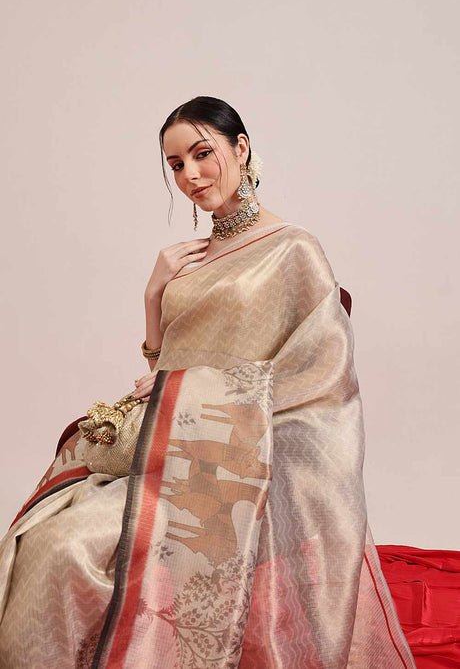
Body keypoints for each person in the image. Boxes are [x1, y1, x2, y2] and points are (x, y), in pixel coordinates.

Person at [0, 96, 416, 668]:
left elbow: (321, 381)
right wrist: (154, 294)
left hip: (229, 464)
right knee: (44, 538)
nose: (190, 176)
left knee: (71, 548)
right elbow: (161, 369)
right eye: (175, 165)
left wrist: (188, 389)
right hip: (164, 444)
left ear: (240, 148)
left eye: (202, 154)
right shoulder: (188, 258)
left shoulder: (294, 250)